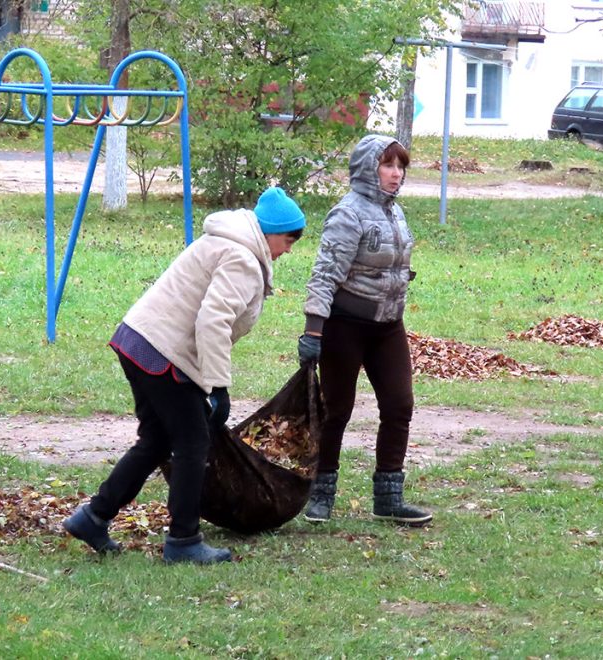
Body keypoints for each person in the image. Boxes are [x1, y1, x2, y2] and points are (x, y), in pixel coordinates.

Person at [63, 186, 305, 563]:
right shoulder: (241, 257)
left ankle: (93, 517)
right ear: (270, 232)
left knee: (156, 441)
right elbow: (213, 321)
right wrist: (218, 387)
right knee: (194, 443)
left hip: (138, 341)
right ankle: (184, 541)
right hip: (163, 354)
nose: (288, 249)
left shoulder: (227, 242)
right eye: (288, 239)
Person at [298, 134, 432, 526]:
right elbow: (324, 275)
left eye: (400, 166)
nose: (396, 174)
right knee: (336, 410)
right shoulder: (347, 214)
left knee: (399, 405)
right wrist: (313, 332)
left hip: (388, 326)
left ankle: (388, 497)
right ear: (367, 169)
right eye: (387, 165)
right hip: (345, 327)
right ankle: (320, 493)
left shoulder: (396, 212)